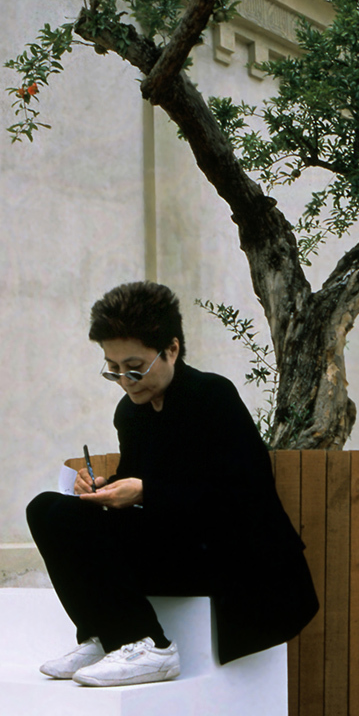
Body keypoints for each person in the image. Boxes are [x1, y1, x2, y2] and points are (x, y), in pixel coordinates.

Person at [27, 280, 319, 687]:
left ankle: (149, 646)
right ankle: (105, 633)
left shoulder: (212, 397)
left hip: (233, 556)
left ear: (172, 349)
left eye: (135, 367)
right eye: (113, 369)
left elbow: (241, 498)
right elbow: (146, 480)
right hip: (175, 544)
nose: (126, 381)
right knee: (48, 509)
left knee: (73, 517)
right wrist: (103, 488)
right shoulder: (131, 413)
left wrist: (144, 491)